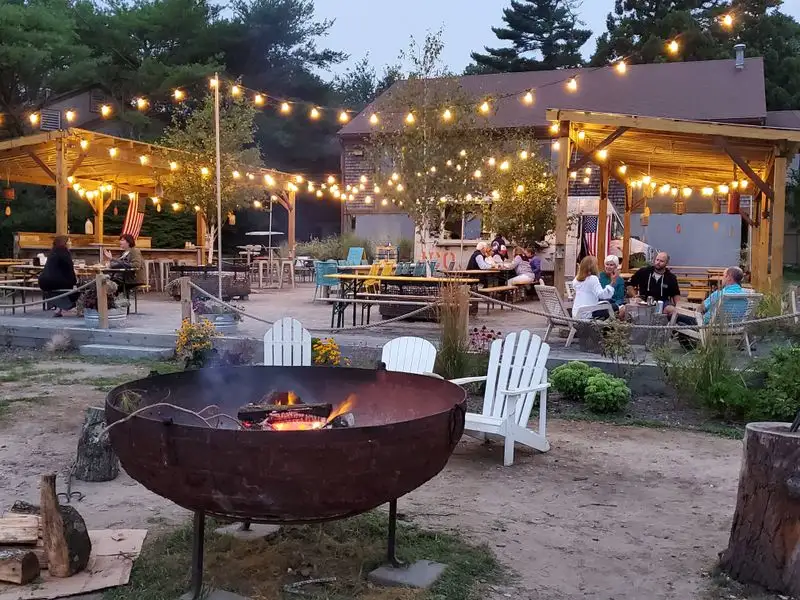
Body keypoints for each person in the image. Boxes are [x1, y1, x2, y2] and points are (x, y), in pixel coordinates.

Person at [677, 266, 749, 326]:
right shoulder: (746, 295)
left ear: (729, 278)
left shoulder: (719, 294)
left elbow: (700, 309)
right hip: (734, 329)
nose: (722, 278)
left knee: (675, 316)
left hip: (708, 328)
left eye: (723, 276)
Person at [627, 251, 681, 315]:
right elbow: (629, 285)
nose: (658, 262)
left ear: (667, 263)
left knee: (672, 310)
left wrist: (678, 307)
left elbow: (676, 294)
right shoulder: (644, 272)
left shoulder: (671, 277)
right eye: (657, 260)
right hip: (644, 301)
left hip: (662, 303)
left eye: (661, 261)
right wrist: (635, 296)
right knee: (624, 310)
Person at [37, 236, 78, 317]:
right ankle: (71, 306)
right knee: (80, 288)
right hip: (55, 281)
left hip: (43, 281)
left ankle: (59, 308)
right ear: (64, 243)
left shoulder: (53, 252)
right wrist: (75, 282)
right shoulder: (64, 252)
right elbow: (69, 270)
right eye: (69, 241)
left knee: (66, 285)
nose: (71, 243)